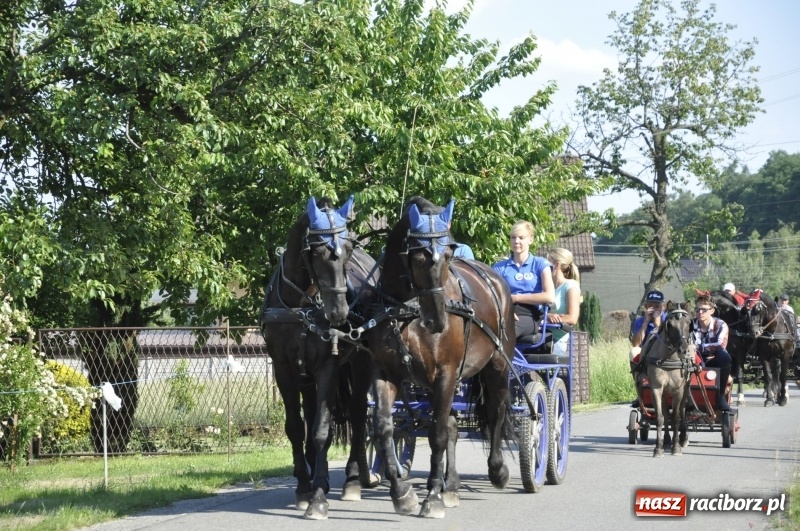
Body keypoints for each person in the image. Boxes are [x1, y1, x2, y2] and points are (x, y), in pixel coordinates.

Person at [492, 220, 555, 340]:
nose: (516, 241)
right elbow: (491, 295)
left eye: (521, 238)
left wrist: (515, 298)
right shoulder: (498, 268)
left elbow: (549, 296)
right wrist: (507, 311)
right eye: (513, 237)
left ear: (531, 240)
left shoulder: (540, 264)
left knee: (504, 335)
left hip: (529, 314)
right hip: (502, 311)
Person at [691, 294, 732, 411]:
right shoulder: (690, 324)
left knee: (724, 357)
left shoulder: (720, 324)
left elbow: (720, 345)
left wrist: (698, 346)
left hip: (712, 360)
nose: (700, 312)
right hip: (693, 360)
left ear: (712, 311)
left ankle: (720, 396)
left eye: (704, 309)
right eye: (697, 309)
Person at [628, 289, 667, 408]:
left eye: (657, 305)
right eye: (651, 305)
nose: (654, 308)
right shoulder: (640, 321)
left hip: (666, 353)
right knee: (634, 352)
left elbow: (666, 341)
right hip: (648, 353)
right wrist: (645, 322)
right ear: (646, 306)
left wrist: (657, 323)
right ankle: (640, 392)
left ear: (663, 307)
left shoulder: (669, 319)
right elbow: (636, 343)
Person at [545, 248, 581, 356]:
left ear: (556, 265)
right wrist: (547, 316)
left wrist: (551, 319)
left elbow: (572, 318)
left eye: (546, 263)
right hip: (538, 336)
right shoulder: (545, 287)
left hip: (556, 341)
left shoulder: (571, 286)